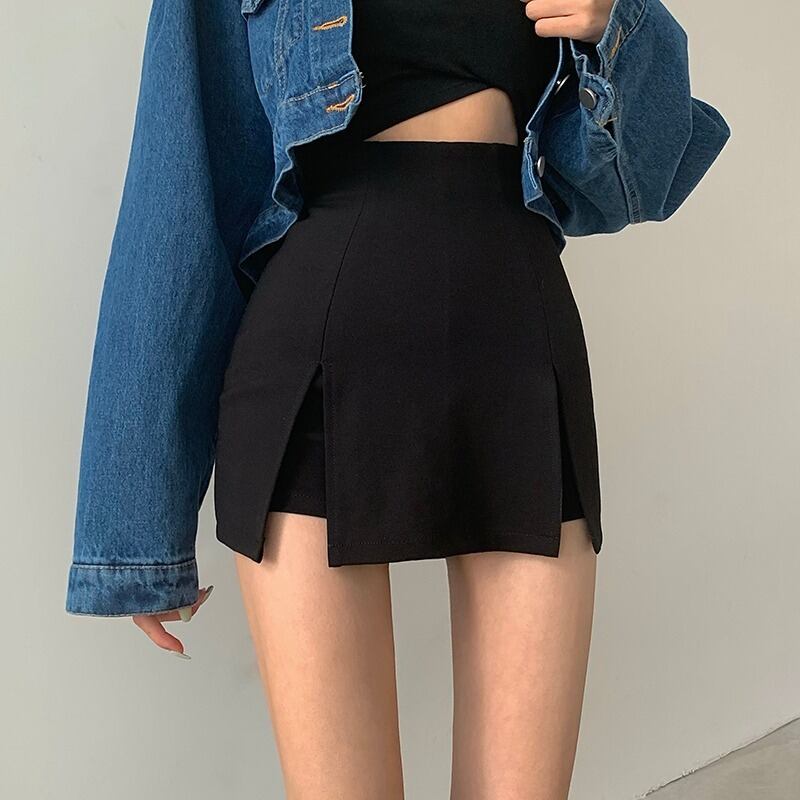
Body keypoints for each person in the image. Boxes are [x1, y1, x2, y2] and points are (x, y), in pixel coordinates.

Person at [65, 1, 730, 796]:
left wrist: (617, 25)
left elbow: (645, 181)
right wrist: (134, 532)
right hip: (314, 345)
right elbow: (178, 183)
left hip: (516, 339)